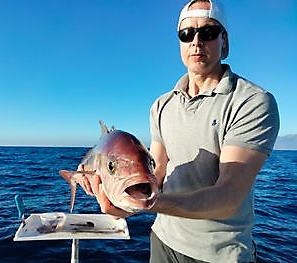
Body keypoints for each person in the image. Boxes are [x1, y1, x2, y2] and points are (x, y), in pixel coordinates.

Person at [75, 0, 280, 262]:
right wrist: (120, 191)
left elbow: (228, 195)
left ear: (224, 41)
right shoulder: (161, 105)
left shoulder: (252, 102)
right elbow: (157, 173)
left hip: (219, 254)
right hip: (162, 241)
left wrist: (145, 204)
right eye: (187, 34)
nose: (196, 41)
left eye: (208, 32)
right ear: (180, 43)